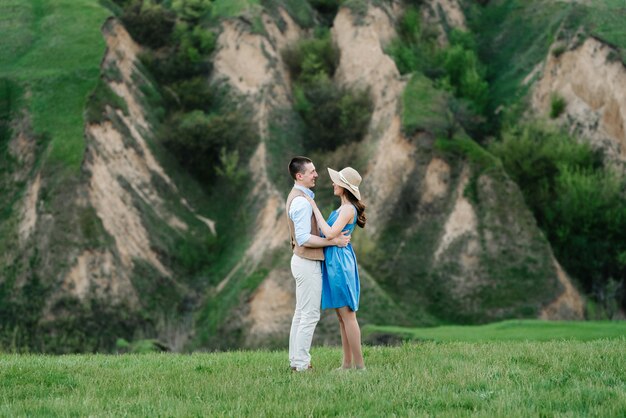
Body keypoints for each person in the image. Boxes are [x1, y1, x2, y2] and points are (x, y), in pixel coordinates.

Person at [286, 156, 351, 372]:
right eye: (312, 171)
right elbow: (304, 238)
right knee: (310, 315)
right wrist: (332, 241)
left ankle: (296, 362)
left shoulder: (300, 198)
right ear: (300, 176)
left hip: (301, 261)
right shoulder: (302, 202)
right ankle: (302, 365)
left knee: (301, 313)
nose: (316, 175)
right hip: (306, 262)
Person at [305, 166, 366, 370]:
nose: (333, 183)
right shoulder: (343, 208)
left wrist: (314, 208)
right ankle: (346, 364)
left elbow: (330, 233)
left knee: (348, 315)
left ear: (343, 187)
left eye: (336, 181)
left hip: (340, 262)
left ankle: (360, 366)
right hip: (334, 260)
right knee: (342, 317)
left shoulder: (348, 209)